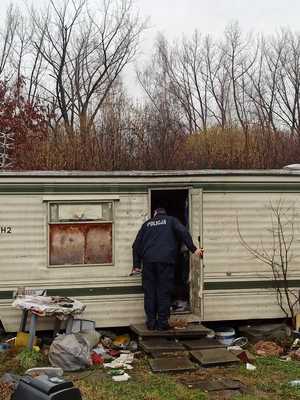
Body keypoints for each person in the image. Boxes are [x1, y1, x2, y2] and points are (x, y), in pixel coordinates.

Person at [131, 207, 203, 331]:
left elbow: (136, 245)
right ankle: (162, 323)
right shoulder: (171, 221)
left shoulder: (146, 224)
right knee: (163, 291)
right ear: (165, 213)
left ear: (155, 214)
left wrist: (136, 265)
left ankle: (151, 323)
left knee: (150, 293)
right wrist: (193, 249)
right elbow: (183, 232)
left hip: (148, 262)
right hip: (165, 261)